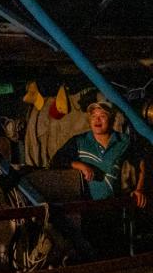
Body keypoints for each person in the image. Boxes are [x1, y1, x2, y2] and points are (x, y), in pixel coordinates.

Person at [57, 98, 148, 255]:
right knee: (91, 254)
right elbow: (56, 161)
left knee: (116, 254)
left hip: (114, 209)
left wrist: (139, 189)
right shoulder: (79, 141)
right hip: (88, 211)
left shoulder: (123, 141)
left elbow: (142, 164)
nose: (97, 120)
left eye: (102, 116)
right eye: (93, 116)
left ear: (112, 120)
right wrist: (79, 165)